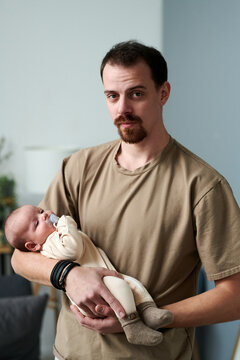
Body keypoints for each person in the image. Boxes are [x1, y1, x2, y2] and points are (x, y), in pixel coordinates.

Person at [11, 40, 240, 360]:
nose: (122, 109)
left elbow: (234, 296)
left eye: (136, 93)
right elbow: (20, 258)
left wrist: (148, 317)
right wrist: (68, 275)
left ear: (163, 93)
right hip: (70, 354)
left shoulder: (203, 186)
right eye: (112, 96)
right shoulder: (77, 168)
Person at [5, 204, 173, 346]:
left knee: (133, 284)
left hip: (107, 277)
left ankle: (149, 310)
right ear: (33, 246)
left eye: (41, 211)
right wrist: (65, 223)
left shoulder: (56, 234)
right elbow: (73, 249)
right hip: (97, 288)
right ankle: (132, 325)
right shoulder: (50, 243)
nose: (44, 216)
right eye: (36, 223)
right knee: (123, 287)